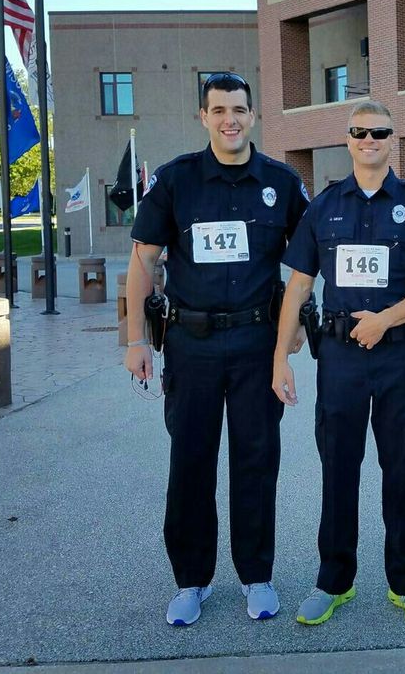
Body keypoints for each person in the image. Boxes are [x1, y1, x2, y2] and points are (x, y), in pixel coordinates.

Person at [123, 72, 310, 627]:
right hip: (191, 345)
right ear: (203, 116)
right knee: (191, 464)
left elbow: (308, 259)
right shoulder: (176, 181)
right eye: (219, 109)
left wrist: (296, 325)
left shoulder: (281, 181)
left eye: (240, 109)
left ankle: (257, 575)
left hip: (256, 343)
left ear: (253, 115)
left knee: (256, 462)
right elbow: (143, 263)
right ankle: (191, 581)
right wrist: (135, 338)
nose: (231, 118)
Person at [272, 100, 405, 628]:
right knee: (338, 470)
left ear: (392, 138)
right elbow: (299, 285)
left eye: (379, 132)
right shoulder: (324, 206)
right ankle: (334, 580)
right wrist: (281, 356)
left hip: (399, 358)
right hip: (340, 361)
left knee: (402, 469)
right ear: (347, 139)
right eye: (359, 132)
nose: (369, 140)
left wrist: (387, 319)